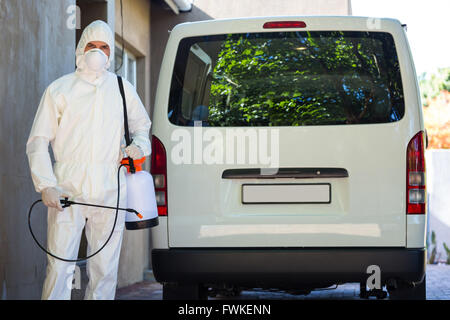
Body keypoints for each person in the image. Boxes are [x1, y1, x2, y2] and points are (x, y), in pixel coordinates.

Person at [26, 20, 151, 300]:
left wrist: (139, 145)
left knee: (105, 269)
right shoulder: (60, 90)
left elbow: (142, 125)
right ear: (81, 49)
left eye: (104, 47)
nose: (98, 52)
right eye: (92, 46)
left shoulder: (122, 88)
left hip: (110, 188)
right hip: (67, 188)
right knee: (59, 267)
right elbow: (38, 140)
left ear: (110, 53)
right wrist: (46, 184)